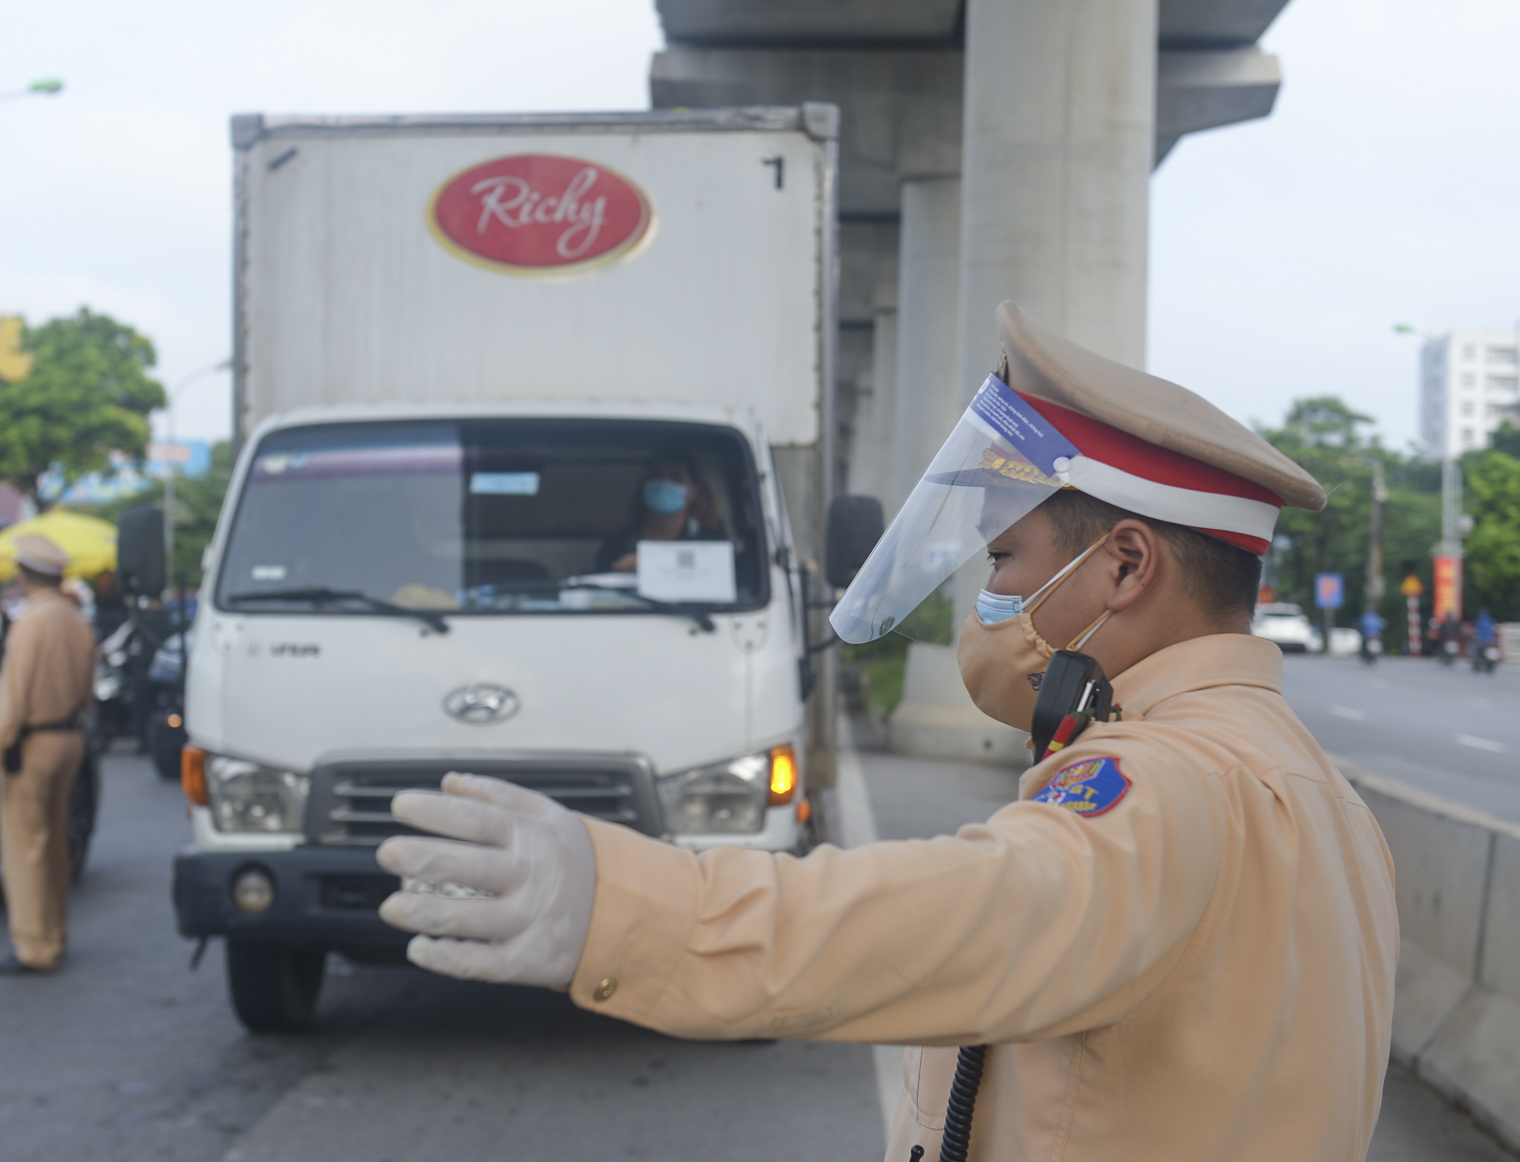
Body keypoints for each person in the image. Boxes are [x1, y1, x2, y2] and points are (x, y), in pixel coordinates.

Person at [371, 303, 1398, 1162]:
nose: (985, 601)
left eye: (1001, 560)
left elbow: (976, 911)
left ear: (1125, 566)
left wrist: (640, 907)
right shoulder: (1314, 792)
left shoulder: (1165, 779)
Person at [0, 534, 98, 976]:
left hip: (33, 744)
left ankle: (33, 945)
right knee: (54, 846)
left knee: (26, 851)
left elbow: (11, 700)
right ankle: (54, 934)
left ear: (24, 576)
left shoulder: (30, 623)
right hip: (69, 739)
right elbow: (88, 689)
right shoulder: (76, 620)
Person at [593, 450, 726, 573]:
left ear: (693, 491)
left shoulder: (710, 541)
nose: (664, 484)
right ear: (645, 485)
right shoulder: (618, 544)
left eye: (675, 477)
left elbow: (717, 576)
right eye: (656, 476)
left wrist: (649, 564)